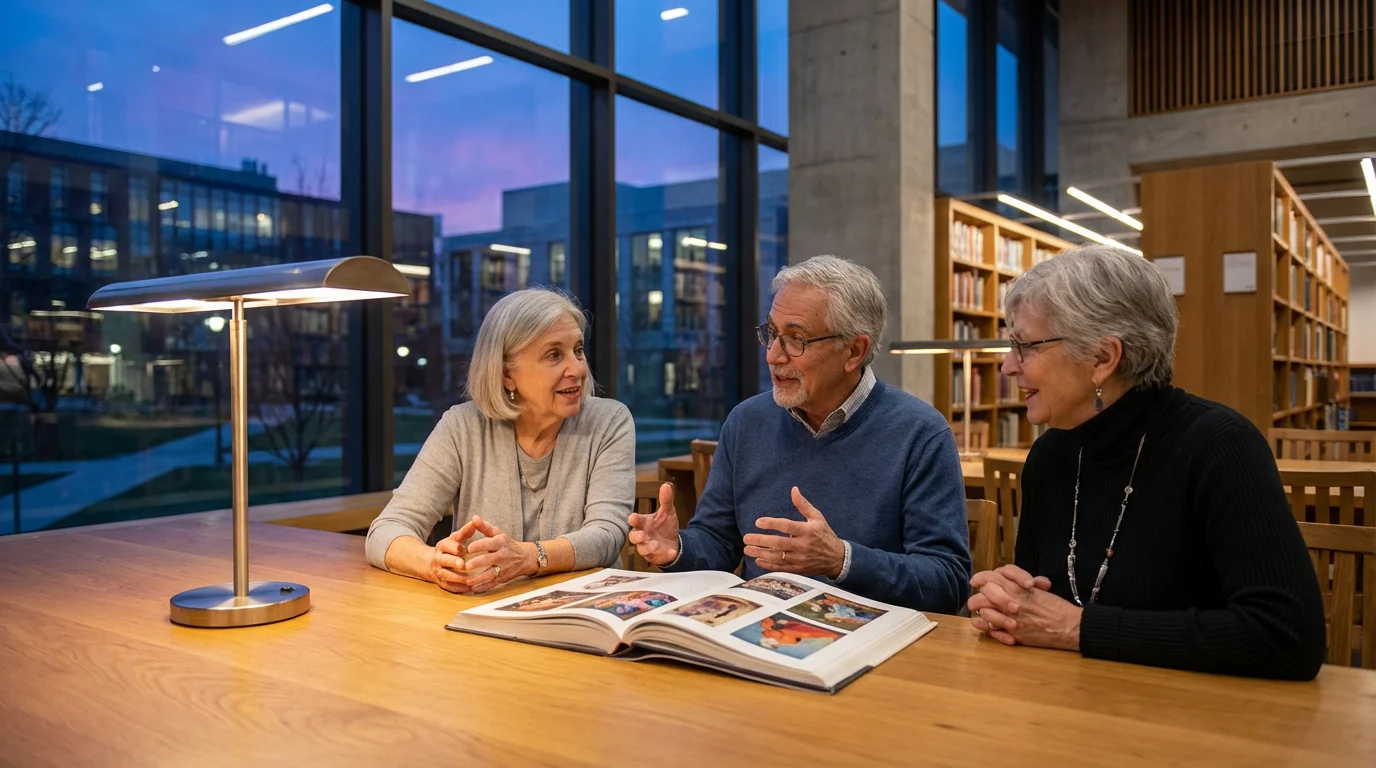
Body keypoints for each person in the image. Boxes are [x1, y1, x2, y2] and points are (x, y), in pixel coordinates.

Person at [967, 245, 1326, 680]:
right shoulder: (1052, 454)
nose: (1007, 367)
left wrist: (1076, 628)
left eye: (1024, 346)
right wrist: (1006, 604)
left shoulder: (1221, 446)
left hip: (1197, 720)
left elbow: (1287, 636)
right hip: (1068, 706)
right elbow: (1039, 605)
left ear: (1103, 358)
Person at [627, 255, 971, 613]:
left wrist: (840, 560)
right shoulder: (746, 422)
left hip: (878, 645)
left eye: (796, 340)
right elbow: (719, 542)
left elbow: (947, 582)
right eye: (772, 334)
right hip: (762, 632)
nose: (774, 356)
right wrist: (676, 549)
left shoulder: (921, 433)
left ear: (855, 351)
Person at [365, 288, 634, 594]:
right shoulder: (462, 426)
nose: (577, 369)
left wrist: (529, 558)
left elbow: (607, 535)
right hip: (483, 611)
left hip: (587, 611)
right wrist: (436, 564)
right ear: (507, 374)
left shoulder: (610, 421)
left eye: (578, 349)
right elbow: (385, 532)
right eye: (554, 354)